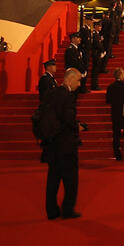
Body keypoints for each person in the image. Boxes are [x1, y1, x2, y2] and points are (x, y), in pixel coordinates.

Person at [41, 68, 83, 219]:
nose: (79, 84)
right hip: (66, 144)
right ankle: (67, 208)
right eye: (78, 80)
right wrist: (77, 126)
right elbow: (68, 118)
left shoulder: (51, 93)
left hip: (52, 143)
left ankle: (51, 211)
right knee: (71, 179)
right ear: (70, 80)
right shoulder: (68, 96)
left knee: (53, 179)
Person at [105, 68, 124, 160]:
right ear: (120, 75)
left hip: (115, 112)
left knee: (116, 135)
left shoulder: (110, 87)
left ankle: (117, 155)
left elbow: (108, 100)